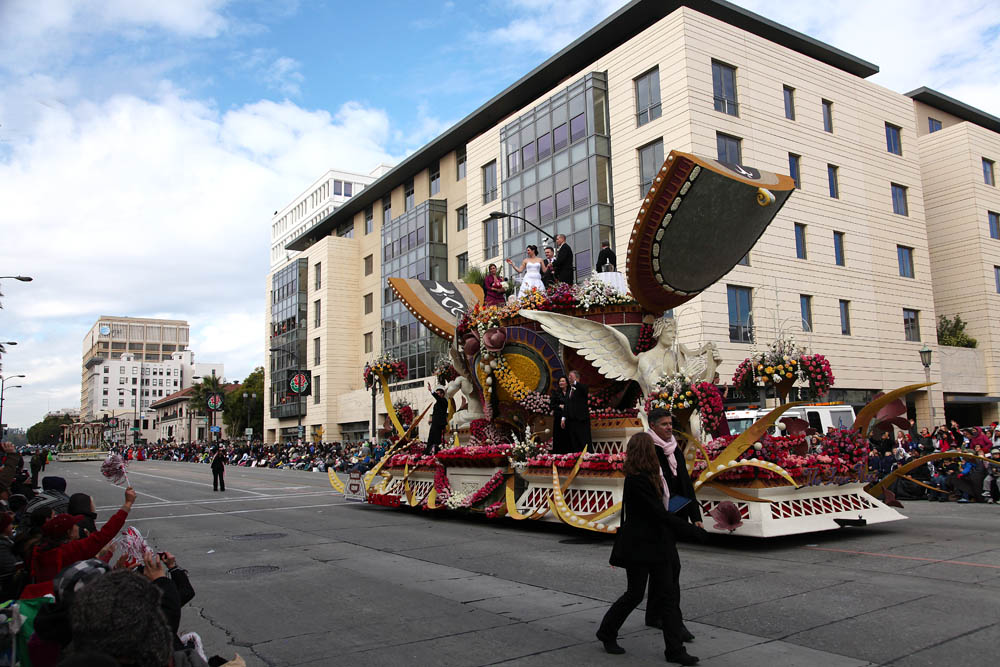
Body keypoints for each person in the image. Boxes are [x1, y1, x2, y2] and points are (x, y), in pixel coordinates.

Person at [596, 433, 705, 665]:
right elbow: (658, 513)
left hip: (659, 544)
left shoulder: (656, 477)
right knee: (634, 594)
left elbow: (669, 502)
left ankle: (675, 650)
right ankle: (607, 631)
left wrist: (691, 511)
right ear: (646, 453)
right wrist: (692, 531)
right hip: (640, 545)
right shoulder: (637, 480)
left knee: (668, 596)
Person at [645, 408, 702, 640]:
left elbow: (685, 484)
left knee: (664, 569)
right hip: (657, 518)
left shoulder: (673, 449)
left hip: (675, 515)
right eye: (664, 424)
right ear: (652, 425)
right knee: (670, 570)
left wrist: (695, 515)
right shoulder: (648, 449)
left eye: (670, 424)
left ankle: (654, 615)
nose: (669, 427)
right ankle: (673, 623)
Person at [30, 486, 135, 586]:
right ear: (69, 532)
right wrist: (128, 503)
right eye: (74, 524)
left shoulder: (42, 550)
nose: (77, 525)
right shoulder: (70, 550)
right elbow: (106, 533)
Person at [563, 370, 591, 452]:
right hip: (572, 421)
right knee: (575, 443)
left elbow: (584, 390)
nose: (569, 378)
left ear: (577, 378)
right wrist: (563, 418)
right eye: (568, 377)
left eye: (571, 376)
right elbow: (566, 404)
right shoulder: (569, 390)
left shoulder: (582, 387)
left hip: (581, 420)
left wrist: (575, 382)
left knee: (584, 441)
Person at [426, 383, 449, 455]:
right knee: (430, 439)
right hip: (434, 423)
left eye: (439, 394)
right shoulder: (437, 403)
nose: (437, 395)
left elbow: (438, 398)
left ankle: (437, 454)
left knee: (437, 440)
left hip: (439, 424)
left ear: (442, 394)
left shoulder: (444, 401)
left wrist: (431, 391)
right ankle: (427, 453)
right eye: (437, 393)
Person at [550, 376, 571, 454]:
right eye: (560, 381)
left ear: (567, 383)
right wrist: (559, 406)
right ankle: (558, 454)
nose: (561, 383)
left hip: (569, 418)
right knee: (559, 436)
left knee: (568, 436)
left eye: (563, 381)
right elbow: (551, 405)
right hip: (558, 417)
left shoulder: (571, 392)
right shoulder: (555, 393)